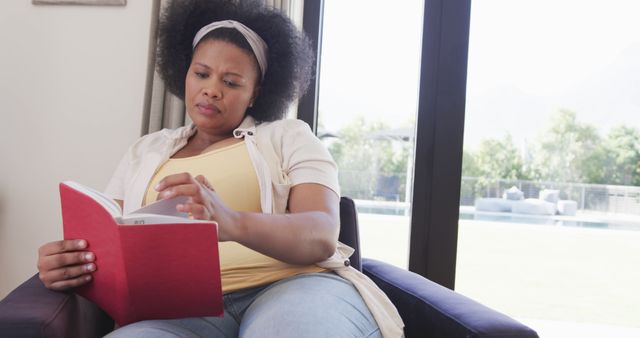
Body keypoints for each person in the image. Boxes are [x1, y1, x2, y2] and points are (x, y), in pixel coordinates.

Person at [36, 0, 403, 337]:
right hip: (179, 311)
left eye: (230, 82)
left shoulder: (288, 136)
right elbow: (110, 241)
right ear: (185, 74)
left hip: (295, 284)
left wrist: (228, 221)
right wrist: (71, 264)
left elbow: (321, 232)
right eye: (201, 74)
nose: (211, 90)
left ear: (256, 93)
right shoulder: (146, 151)